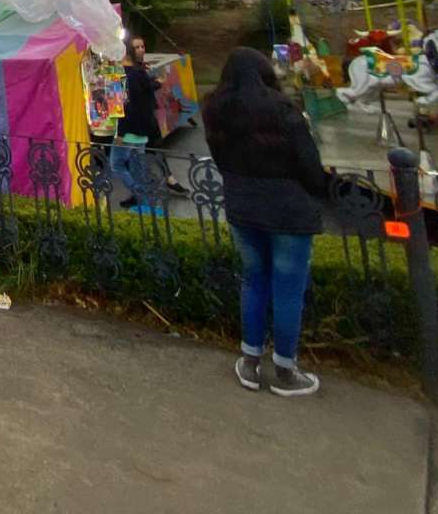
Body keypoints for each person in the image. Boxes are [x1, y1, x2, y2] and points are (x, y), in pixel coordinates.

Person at [204, 46, 329, 398]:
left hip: (243, 207)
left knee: (253, 280)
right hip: (287, 210)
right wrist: (318, 190)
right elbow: (310, 165)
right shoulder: (283, 110)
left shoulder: (215, 112)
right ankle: (285, 369)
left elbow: (219, 159)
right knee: (288, 289)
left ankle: (250, 360)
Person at [115, 36, 188, 207]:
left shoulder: (137, 69)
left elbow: (142, 91)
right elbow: (141, 91)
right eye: (137, 47)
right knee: (136, 158)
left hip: (141, 121)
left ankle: (146, 189)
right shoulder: (132, 72)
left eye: (142, 46)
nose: (141, 49)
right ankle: (152, 187)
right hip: (138, 122)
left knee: (136, 157)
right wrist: (157, 82)